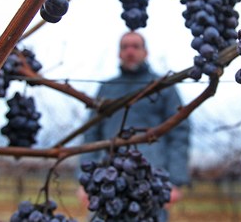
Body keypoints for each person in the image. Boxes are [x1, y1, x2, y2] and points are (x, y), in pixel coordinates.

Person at [78, 31, 191, 221]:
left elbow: (179, 133)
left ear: (145, 52)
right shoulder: (106, 88)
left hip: (150, 179)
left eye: (135, 46)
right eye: (125, 47)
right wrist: (84, 179)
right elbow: (91, 134)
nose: (130, 51)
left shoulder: (163, 86)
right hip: (107, 179)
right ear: (119, 53)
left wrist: (175, 180)